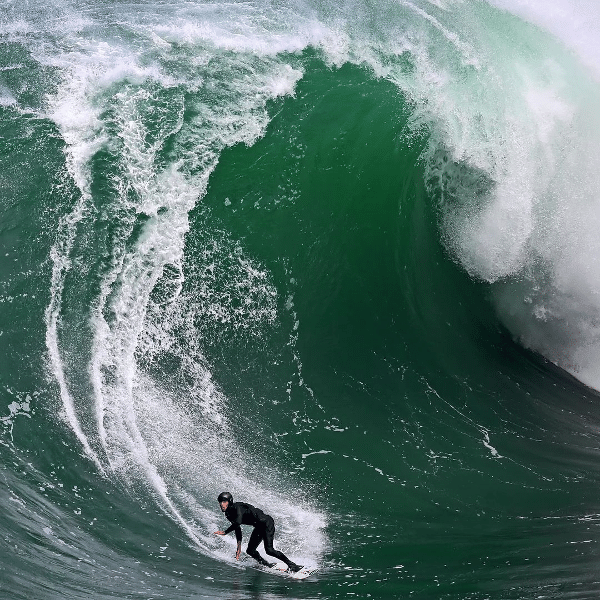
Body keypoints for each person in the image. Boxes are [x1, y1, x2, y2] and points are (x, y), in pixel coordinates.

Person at [214, 491, 303, 572]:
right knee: (250, 551)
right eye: (220, 502)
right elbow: (237, 528)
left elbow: (238, 522)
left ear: (230, 502)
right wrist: (239, 547)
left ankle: (293, 566)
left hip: (266, 523)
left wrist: (225, 532)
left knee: (269, 550)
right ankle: (266, 564)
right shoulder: (228, 514)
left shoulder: (238, 508)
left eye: (224, 502)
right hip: (258, 526)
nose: (221, 504)